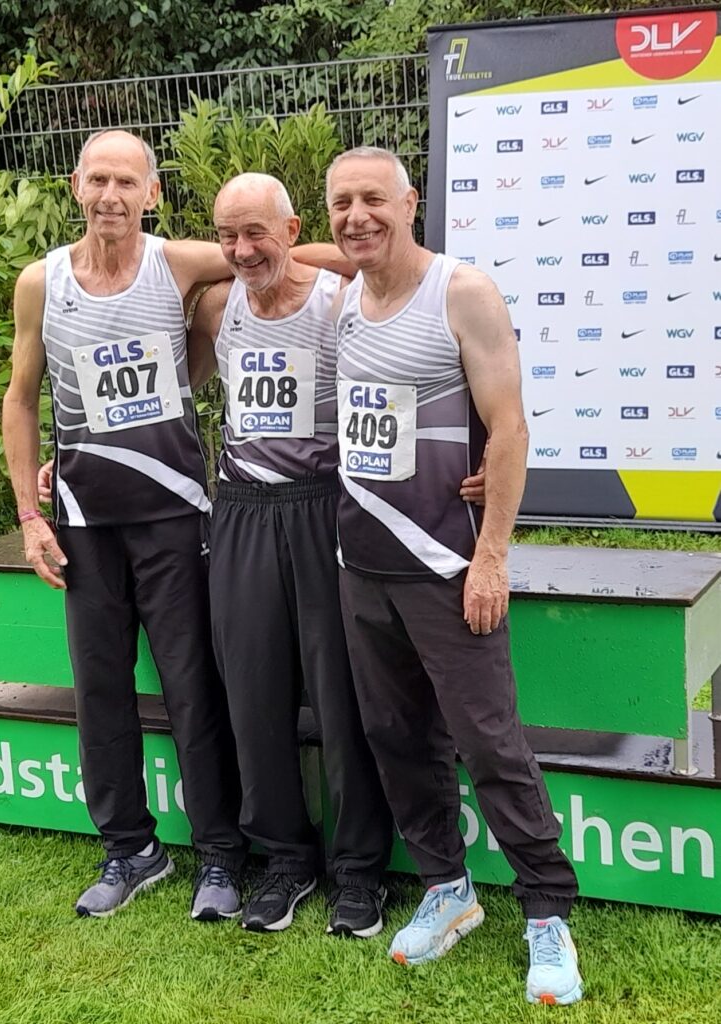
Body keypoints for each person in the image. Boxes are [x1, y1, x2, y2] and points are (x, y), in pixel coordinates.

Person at [3, 130, 337, 921]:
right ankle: (130, 848)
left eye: (127, 181)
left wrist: (389, 259)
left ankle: (220, 853)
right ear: (76, 186)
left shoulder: (178, 262)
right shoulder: (40, 282)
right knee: (101, 690)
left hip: (177, 516)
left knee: (196, 688)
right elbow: (20, 399)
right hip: (84, 520)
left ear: (151, 194)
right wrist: (27, 513)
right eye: (98, 180)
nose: (111, 195)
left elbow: (278, 255)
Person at [325, 147, 583, 1006]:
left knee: (489, 744)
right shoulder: (344, 301)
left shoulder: (460, 292)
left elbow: (506, 429)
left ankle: (545, 909)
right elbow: (274, 257)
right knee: (397, 739)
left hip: (448, 568)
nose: (355, 216)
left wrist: (492, 556)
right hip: (361, 566)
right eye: (339, 203)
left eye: (372, 200)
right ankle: (448, 888)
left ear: (410, 203)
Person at [185, 173, 394, 937]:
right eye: (227, 235)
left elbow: (414, 356)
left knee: (341, 700)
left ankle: (360, 871)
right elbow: (175, 392)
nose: (242, 250)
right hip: (240, 512)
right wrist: (67, 457)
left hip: (323, 507)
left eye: (258, 234)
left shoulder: (340, 301)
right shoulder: (216, 304)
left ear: (292, 227)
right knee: (252, 696)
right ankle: (282, 859)